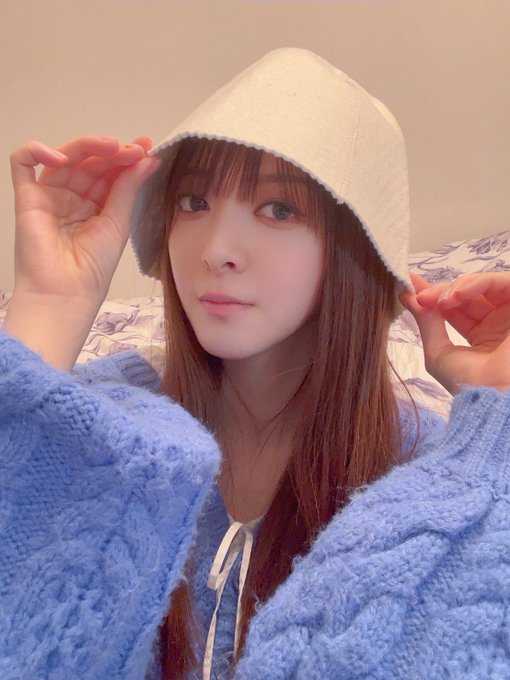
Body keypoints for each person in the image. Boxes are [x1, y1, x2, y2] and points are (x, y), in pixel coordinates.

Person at [1, 47, 509, 680]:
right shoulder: (105, 422)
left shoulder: (425, 472)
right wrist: (49, 307)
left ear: (356, 250)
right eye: (193, 202)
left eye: (279, 209)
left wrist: (499, 418)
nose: (216, 250)